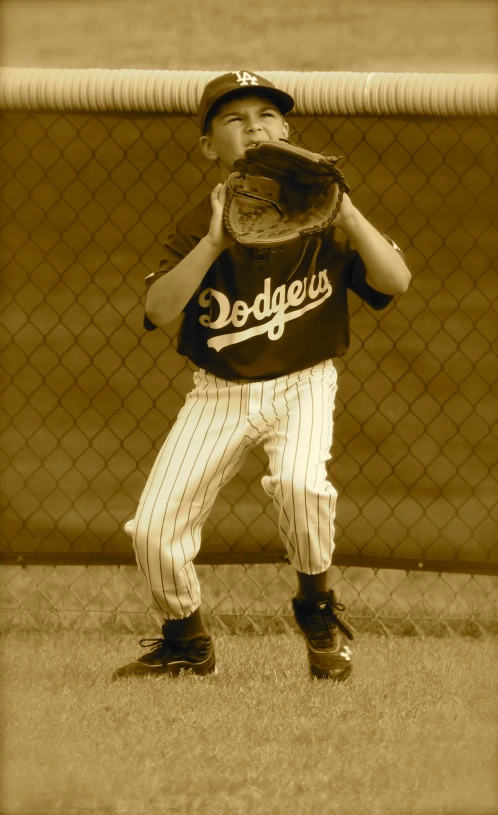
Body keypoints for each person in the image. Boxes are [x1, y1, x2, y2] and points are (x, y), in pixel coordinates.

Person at [112, 71, 410, 682]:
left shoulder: (323, 209)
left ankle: (316, 608)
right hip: (218, 394)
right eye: (233, 118)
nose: (254, 127)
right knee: (153, 529)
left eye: (267, 115)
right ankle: (185, 641)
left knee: (302, 486)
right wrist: (214, 244)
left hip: (305, 381)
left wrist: (347, 212)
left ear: (288, 130)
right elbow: (158, 309)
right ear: (208, 147)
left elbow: (394, 282)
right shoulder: (199, 222)